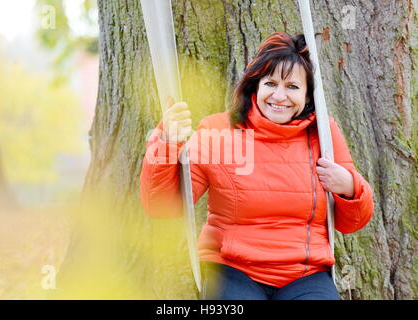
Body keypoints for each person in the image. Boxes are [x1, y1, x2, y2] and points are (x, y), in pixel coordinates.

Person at [140, 32, 374, 300]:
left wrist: (349, 188)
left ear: (308, 95)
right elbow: (162, 206)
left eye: (292, 87)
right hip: (232, 268)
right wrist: (167, 143)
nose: (280, 96)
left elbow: (352, 222)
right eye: (270, 83)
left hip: (304, 272)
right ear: (256, 86)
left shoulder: (322, 132)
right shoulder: (218, 131)